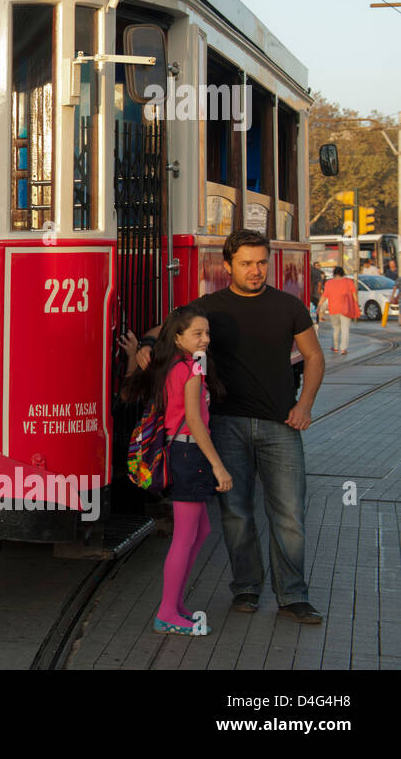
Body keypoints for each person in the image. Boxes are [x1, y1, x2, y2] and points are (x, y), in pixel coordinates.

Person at [189, 229, 324, 625]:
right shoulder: (209, 307)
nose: (255, 270)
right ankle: (246, 588)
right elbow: (175, 333)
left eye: (262, 262)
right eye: (246, 263)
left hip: (281, 425)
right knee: (236, 512)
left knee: (289, 513)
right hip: (227, 425)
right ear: (227, 265)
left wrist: (305, 405)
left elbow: (314, 357)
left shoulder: (288, 305)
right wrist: (145, 346)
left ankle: (293, 596)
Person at [120, 305, 232, 635]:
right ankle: (167, 612)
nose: (206, 339)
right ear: (179, 336)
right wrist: (218, 467)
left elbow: (126, 392)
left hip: (182, 452)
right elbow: (196, 422)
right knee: (184, 537)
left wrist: (131, 356)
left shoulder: (169, 365)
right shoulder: (191, 368)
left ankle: (176, 603)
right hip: (190, 452)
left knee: (201, 532)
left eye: (207, 333)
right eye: (198, 333)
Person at [318, 266, 358, 355]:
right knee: (345, 329)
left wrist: (319, 306)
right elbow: (354, 295)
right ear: (343, 273)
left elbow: (324, 296)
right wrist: (356, 306)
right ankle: (343, 349)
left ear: (334, 273)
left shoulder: (329, 283)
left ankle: (335, 347)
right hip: (346, 309)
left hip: (333, 309)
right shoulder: (349, 282)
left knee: (335, 329)